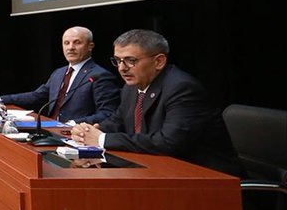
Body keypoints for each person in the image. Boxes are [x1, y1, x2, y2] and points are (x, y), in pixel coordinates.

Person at [69, 29, 240, 175]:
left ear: (159, 61)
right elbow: (118, 121)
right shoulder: (132, 86)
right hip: (156, 170)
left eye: (130, 60)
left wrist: (101, 139)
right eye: (118, 61)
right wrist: (87, 133)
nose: (122, 68)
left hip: (206, 179)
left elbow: (168, 142)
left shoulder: (182, 88)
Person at [0, 27, 120, 124]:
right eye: (66, 43)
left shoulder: (99, 76)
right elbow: (36, 96)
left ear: (90, 46)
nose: (70, 47)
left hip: (76, 135)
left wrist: (72, 123)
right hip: (50, 131)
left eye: (77, 43)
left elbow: (108, 114)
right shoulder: (59, 73)